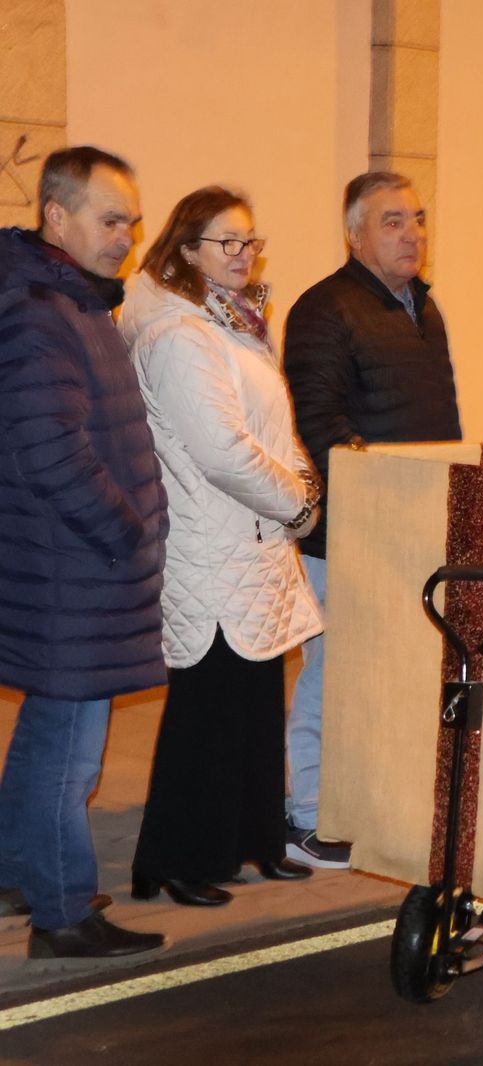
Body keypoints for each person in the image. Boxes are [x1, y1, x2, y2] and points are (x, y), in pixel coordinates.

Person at [121, 187, 321, 905]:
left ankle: (253, 840)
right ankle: (174, 860)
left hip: (255, 540)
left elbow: (272, 421)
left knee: (255, 702)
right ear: (185, 250)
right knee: (205, 713)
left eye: (249, 241)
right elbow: (220, 450)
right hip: (211, 544)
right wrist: (298, 500)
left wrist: (300, 480)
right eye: (226, 243)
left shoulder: (231, 321)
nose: (242, 255)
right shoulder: (177, 335)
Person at [0, 146, 166, 958]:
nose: (125, 237)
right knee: (70, 758)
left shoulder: (74, 302)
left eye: (131, 221)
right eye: (110, 220)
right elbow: (49, 449)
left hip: (70, 573)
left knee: (45, 737)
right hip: (76, 574)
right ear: (57, 217)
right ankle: (63, 915)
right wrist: (126, 531)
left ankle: (17, 873)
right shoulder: (41, 312)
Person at [283, 172, 462, 869]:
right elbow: (319, 423)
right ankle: (302, 814)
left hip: (414, 527)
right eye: (392, 221)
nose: (412, 232)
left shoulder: (423, 306)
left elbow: (439, 423)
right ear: (354, 233)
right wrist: (377, 505)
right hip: (351, 533)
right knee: (331, 672)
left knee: (389, 676)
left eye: (417, 218)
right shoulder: (324, 309)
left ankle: (365, 800)